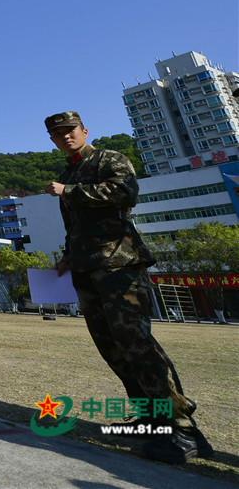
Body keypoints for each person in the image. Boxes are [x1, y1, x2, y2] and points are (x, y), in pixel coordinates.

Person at [43, 111, 213, 464]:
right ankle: (150, 416)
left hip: (120, 265)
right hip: (86, 267)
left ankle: (182, 428)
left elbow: (124, 192)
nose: (65, 137)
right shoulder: (68, 172)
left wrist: (70, 191)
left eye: (70, 130)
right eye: (57, 134)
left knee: (136, 342)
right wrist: (66, 256)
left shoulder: (108, 159)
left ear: (84, 130)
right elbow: (75, 224)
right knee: (110, 346)